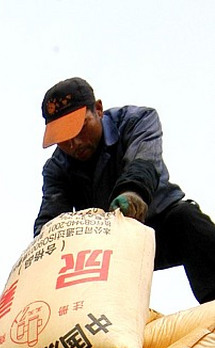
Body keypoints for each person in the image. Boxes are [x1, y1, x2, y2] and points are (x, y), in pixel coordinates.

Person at [35, 76, 215, 303]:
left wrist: (133, 193)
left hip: (158, 225)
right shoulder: (57, 168)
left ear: (98, 110)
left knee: (188, 220)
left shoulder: (137, 120)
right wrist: (43, 250)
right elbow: (51, 217)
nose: (75, 144)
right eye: (64, 139)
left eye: (80, 129)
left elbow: (143, 162)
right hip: (107, 250)